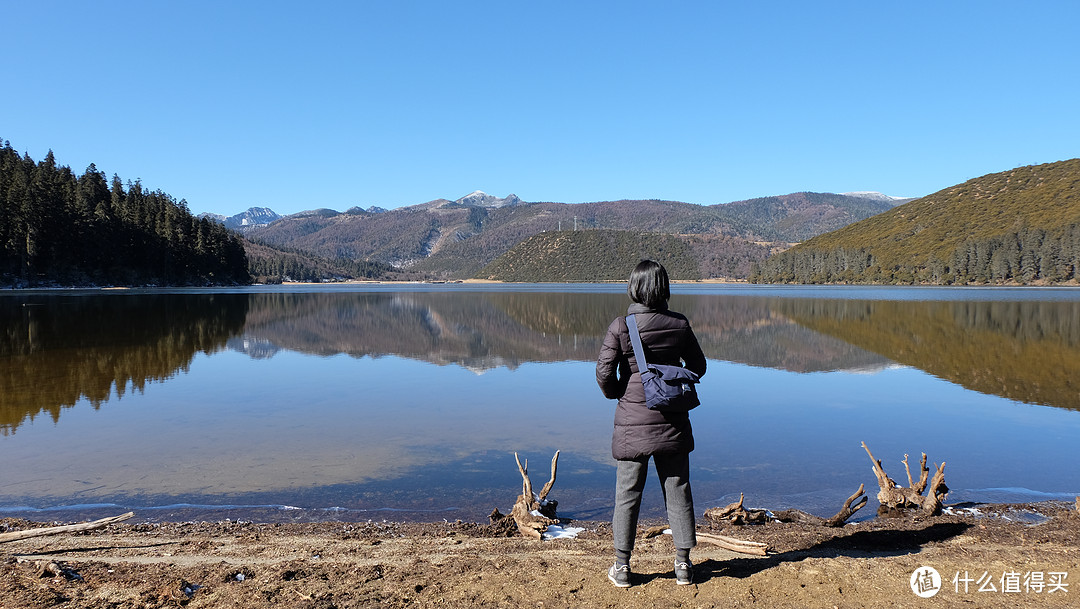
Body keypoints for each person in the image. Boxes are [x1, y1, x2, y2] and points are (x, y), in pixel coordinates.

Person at [595, 259, 707, 588]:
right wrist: (672, 380)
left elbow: (603, 374)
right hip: (672, 421)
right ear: (663, 288)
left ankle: (622, 567)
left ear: (634, 287)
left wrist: (620, 392)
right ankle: (684, 565)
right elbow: (698, 367)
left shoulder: (620, 326)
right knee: (678, 490)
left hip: (632, 422)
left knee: (627, 494)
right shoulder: (680, 324)